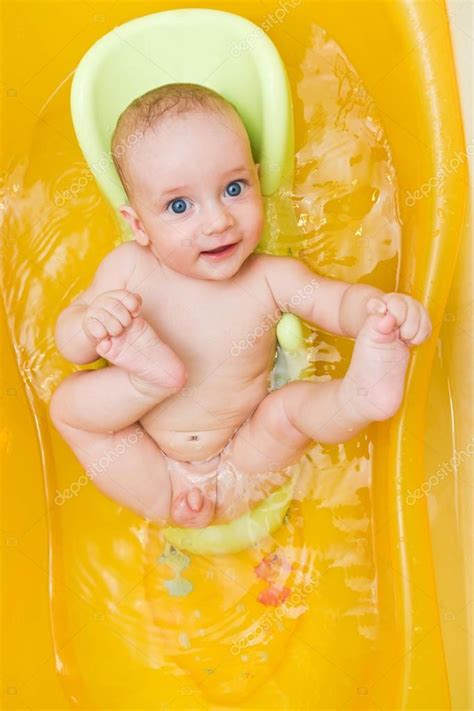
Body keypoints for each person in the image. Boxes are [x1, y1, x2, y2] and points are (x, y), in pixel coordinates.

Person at [50, 83, 432, 528]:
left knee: (285, 412)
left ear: (256, 179)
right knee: (70, 405)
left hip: (243, 463)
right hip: (150, 471)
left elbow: (338, 302)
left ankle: (358, 400)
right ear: (138, 224)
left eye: (234, 188)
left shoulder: (271, 276)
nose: (218, 221)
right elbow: (74, 348)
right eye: (179, 205)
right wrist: (92, 323)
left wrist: (381, 313)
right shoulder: (127, 270)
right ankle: (149, 384)